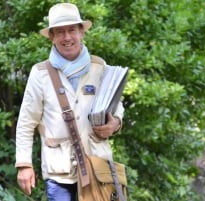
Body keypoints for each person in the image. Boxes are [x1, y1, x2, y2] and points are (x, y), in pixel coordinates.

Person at [15, 3, 124, 201]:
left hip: (97, 166)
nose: (67, 37)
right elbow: (26, 122)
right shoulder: (40, 73)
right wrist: (24, 164)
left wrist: (115, 123)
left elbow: (117, 106)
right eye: (60, 32)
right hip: (59, 172)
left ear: (82, 32)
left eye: (72, 30)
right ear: (52, 37)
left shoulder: (99, 67)